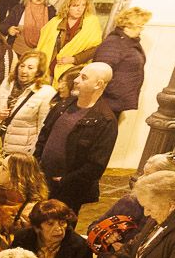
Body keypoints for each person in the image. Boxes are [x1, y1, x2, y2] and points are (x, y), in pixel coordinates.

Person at [38, 62, 120, 209]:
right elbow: (44, 136)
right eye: (78, 75)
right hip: (41, 180)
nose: (76, 80)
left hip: (67, 192)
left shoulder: (105, 121)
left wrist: (64, 181)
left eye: (83, 77)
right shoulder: (63, 105)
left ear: (98, 84)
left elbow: (95, 165)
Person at [17, 199, 94, 258]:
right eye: (50, 224)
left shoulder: (80, 247)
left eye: (62, 222)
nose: (58, 229)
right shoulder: (22, 238)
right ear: (37, 228)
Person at [93, 7, 150, 117]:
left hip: (116, 100)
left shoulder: (129, 43)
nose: (141, 29)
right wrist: (114, 92)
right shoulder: (114, 43)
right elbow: (101, 72)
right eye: (139, 26)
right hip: (108, 100)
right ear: (128, 25)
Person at [36, 0, 103, 82]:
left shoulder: (91, 22)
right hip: (50, 67)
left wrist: (74, 59)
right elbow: (43, 45)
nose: (80, 9)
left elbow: (95, 48)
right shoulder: (55, 22)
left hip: (72, 71)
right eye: (75, 6)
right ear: (68, 6)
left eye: (83, 5)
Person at [4, 0, 52, 67]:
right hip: (17, 52)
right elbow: (3, 26)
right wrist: (9, 29)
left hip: (38, 54)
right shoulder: (19, 9)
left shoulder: (50, 11)